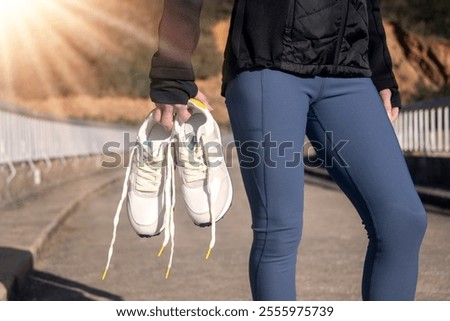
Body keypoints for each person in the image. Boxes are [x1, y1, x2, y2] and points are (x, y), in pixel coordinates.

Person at [149, 0, 427, 301]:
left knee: (403, 221)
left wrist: (380, 68)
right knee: (278, 231)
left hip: (349, 67)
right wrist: (171, 70)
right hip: (268, 60)